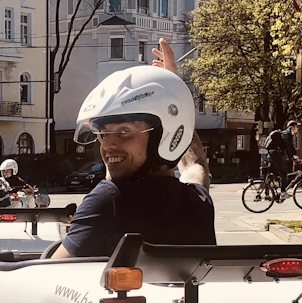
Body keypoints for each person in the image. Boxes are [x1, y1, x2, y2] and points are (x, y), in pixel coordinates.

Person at [48, 39, 214, 260]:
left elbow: (49, 273)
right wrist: (176, 96)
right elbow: (195, 167)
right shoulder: (197, 202)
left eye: (124, 131)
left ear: (162, 134)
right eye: (103, 133)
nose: (107, 145)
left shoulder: (109, 201)